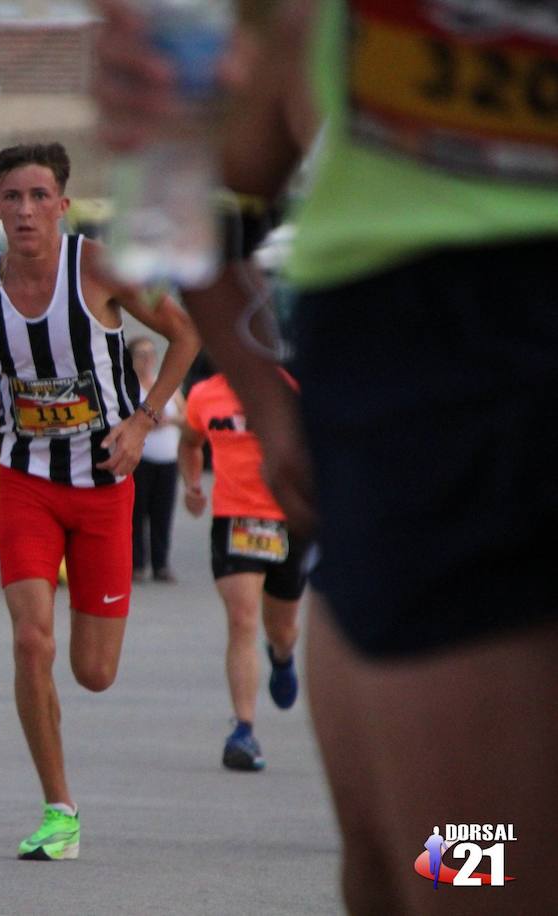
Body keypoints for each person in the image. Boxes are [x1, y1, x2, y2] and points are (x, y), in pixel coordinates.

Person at [98, 1, 558, 910]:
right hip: (429, 399)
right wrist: (270, 408)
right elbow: (183, 179)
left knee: (475, 869)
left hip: (466, 394)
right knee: (404, 860)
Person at [0, 142, 199, 861]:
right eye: (11, 198)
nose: (25, 210)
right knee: (31, 641)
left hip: (103, 487)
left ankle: (64, 785)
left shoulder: (100, 269)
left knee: (93, 672)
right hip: (25, 481)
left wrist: (144, 418)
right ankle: (60, 810)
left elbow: (185, 334)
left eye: (38, 196)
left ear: (62, 203)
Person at [179, 370, 305, 771]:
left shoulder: (287, 387)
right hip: (235, 520)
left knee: (281, 628)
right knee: (242, 618)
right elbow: (190, 443)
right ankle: (244, 731)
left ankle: (282, 657)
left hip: (286, 520)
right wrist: (193, 484)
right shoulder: (203, 394)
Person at [129, 336, 183, 583]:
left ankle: (161, 563)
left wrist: (168, 420)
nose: (147, 359)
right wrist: (146, 422)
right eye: (141, 354)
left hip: (168, 458)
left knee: (163, 512)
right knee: (137, 512)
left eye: (150, 353)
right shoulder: (130, 387)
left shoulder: (166, 385)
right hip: (141, 457)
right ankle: (137, 563)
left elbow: (186, 416)